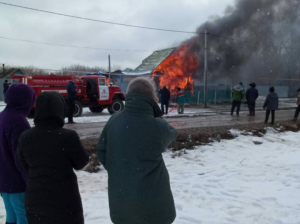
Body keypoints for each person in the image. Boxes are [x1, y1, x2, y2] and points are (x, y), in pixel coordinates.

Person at [96, 77, 177, 224]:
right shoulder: (157, 125)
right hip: (153, 203)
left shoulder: (114, 120)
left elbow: (101, 150)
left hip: (121, 201)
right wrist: (156, 113)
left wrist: (119, 170)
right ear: (151, 97)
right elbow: (172, 133)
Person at [18, 92, 89, 224]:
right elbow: (81, 163)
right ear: (60, 109)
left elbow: (23, 164)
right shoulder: (68, 136)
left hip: (36, 198)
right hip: (65, 199)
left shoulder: (26, 136)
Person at [0, 84, 36, 224]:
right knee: (24, 216)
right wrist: (29, 181)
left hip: (4, 181)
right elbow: (21, 157)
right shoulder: (19, 121)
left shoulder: (2, 116)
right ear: (26, 100)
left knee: (12, 216)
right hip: (17, 183)